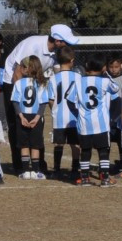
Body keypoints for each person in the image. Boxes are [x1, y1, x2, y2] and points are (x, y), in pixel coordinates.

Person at [1, 23, 77, 172]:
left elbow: (59, 74)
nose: (68, 45)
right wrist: (21, 100)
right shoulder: (32, 45)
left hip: (34, 83)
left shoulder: (57, 53)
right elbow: (17, 72)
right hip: (14, 82)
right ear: (57, 41)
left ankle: (39, 163)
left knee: (38, 122)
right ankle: (19, 164)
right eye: (66, 42)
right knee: (16, 123)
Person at [71, 58, 117, 186]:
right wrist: (107, 74)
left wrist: (77, 112)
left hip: (84, 123)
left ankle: (85, 178)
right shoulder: (104, 81)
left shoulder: (78, 82)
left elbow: (69, 99)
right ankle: (105, 178)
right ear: (103, 68)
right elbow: (116, 88)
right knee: (103, 150)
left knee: (85, 151)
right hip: (100, 123)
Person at [9, 55, 48, 178]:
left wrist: (21, 117)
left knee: (24, 144)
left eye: (22, 66)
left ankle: (26, 171)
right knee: (35, 145)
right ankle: (36, 171)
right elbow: (43, 104)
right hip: (36, 117)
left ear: (27, 68)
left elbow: (15, 102)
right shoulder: (41, 83)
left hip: (23, 116)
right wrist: (37, 118)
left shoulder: (18, 83)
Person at [46, 47, 80, 180]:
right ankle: (75, 169)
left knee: (58, 144)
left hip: (59, 117)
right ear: (72, 60)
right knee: (75, 144)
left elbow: (51, 99)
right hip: (74, 117)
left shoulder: (53, 78)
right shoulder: (78, 77)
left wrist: (54, 109)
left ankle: (57, 169)